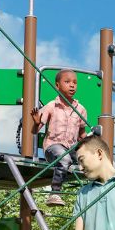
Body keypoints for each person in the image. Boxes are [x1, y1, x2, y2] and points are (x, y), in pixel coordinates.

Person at [32, 69, 89, 206]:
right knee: (64, 158)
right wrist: (36, 123)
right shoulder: (51, 106)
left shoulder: (80, 109)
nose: (72, 85)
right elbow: (35, 131)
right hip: (53, 146)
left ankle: (93, 193)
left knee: (89, 161)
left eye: (75, 83)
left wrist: (88, 142)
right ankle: (55, 193)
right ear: (57, 85)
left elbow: (81, 133)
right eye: (67, 82)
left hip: (72, 147)